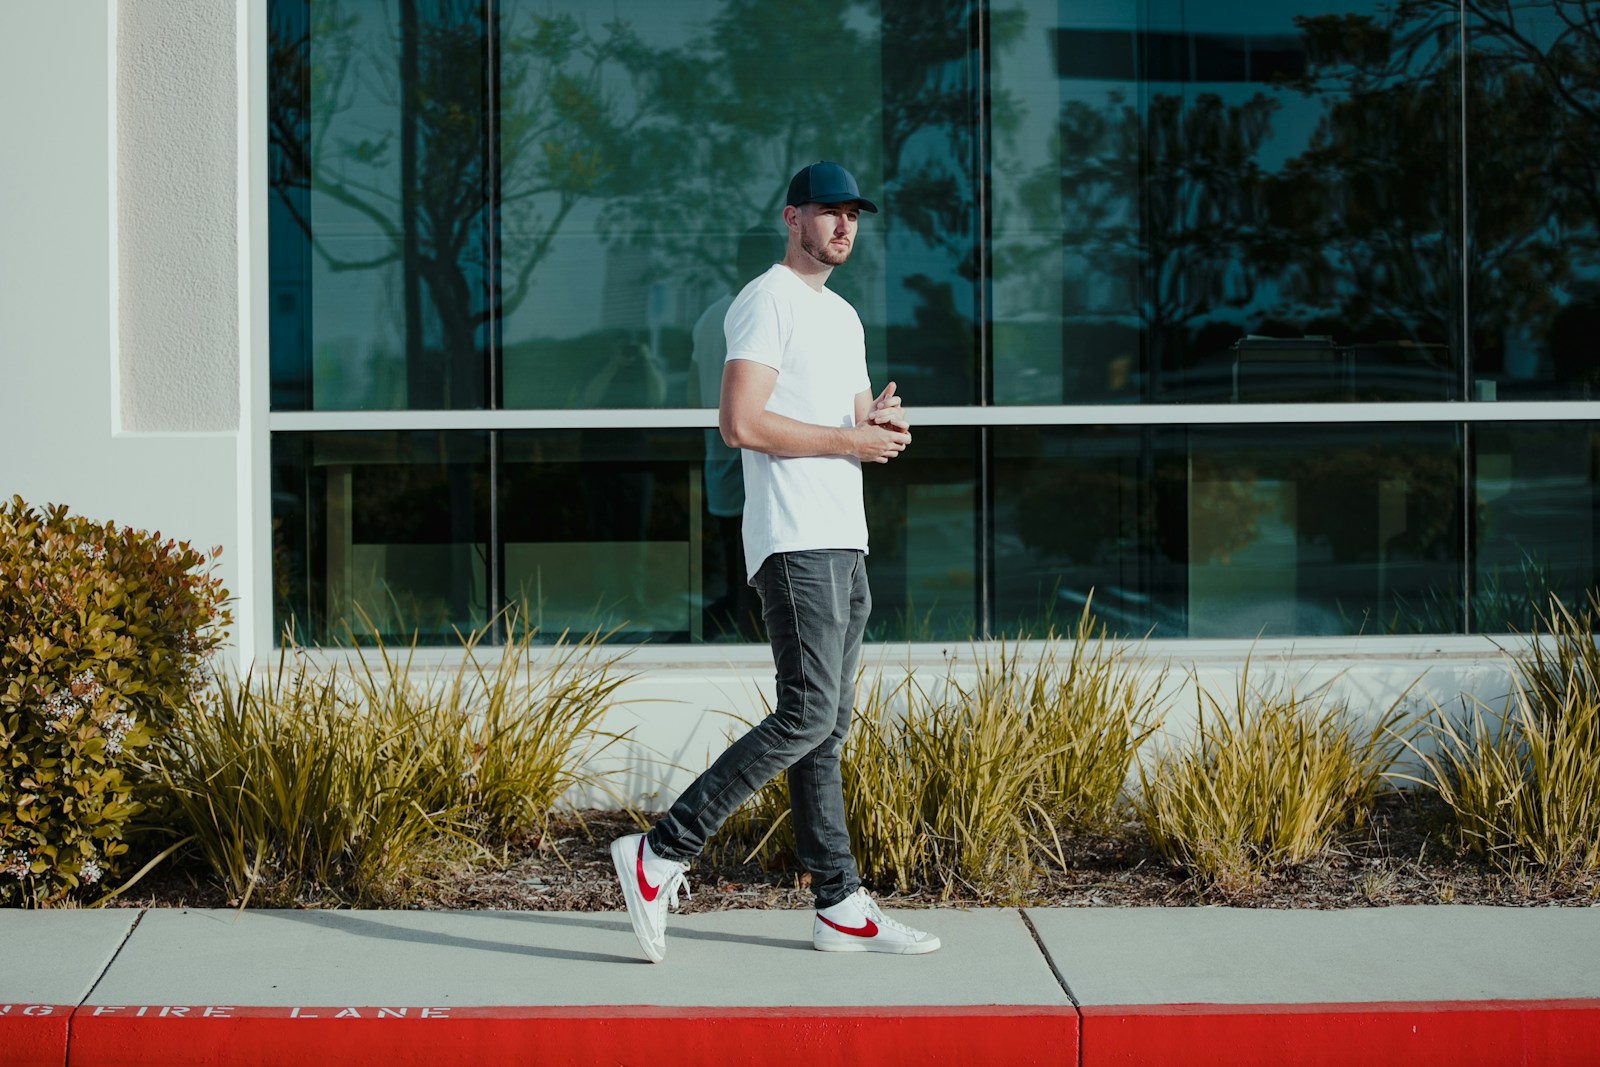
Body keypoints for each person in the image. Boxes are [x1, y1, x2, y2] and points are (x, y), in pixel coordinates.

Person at [611, 161, 939, 962]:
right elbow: (741, 423)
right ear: (792, 218)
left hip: (845, 537)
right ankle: (660, 851)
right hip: (794, 539)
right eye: (828, 211)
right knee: (805, 714)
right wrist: (851, 437)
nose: (844, 225)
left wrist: (881, 424)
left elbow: (851, 424)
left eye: (853, 213)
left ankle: (839, 905)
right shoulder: (765, 299)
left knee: (824, 730)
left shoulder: (845, 317)